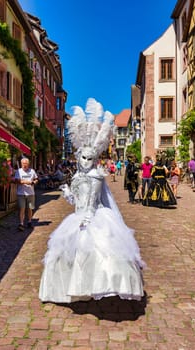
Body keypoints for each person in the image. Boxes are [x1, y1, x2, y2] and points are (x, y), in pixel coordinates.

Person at [39, 98, 145, 303]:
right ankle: (70, 288)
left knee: (99, 253)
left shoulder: (96, 176)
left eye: (90, 159)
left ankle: (99, 286)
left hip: (93, 218)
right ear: (78, 158)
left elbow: (92, 202)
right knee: (67, 255)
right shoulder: (77, 176)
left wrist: (87, 219)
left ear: (94, 159)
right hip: (77, 216)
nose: (86, 162)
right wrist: (68, 193)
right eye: (83, 158)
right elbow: (77, 201)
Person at [14, 157, 38, 231]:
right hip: (21, 193)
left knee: (30, 208)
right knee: (22, 208)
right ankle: (21, 223)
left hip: (31, 193)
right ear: (21, 164)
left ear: (28, 164)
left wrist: (34, 182)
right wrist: (28, 182)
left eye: (26, 164)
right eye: (23, 164)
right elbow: (17, 181)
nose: (24, 165)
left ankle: (29, 221)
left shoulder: (32, 171)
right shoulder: (19, 171)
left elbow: (36, 179)